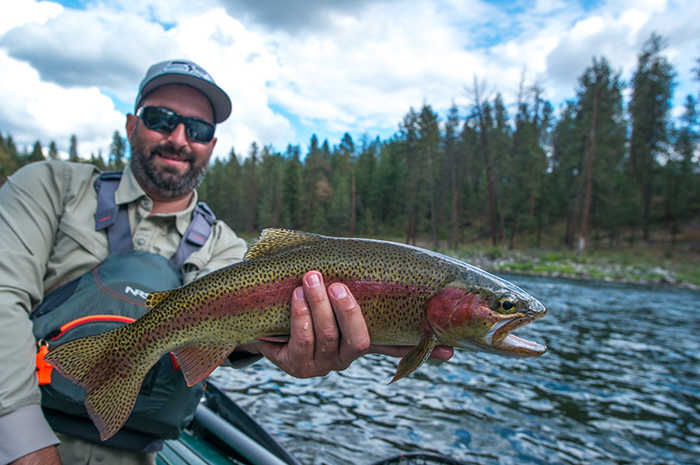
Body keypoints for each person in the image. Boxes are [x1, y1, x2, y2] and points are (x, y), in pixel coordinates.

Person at [0, 59, 452, 465]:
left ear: (211, 144)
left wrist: (276, 347)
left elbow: (239, 336)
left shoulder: (230, 251)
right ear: (130, 124)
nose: (178, 138)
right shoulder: (50, 188)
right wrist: (25, 445)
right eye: (161, 120)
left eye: (196, 129)